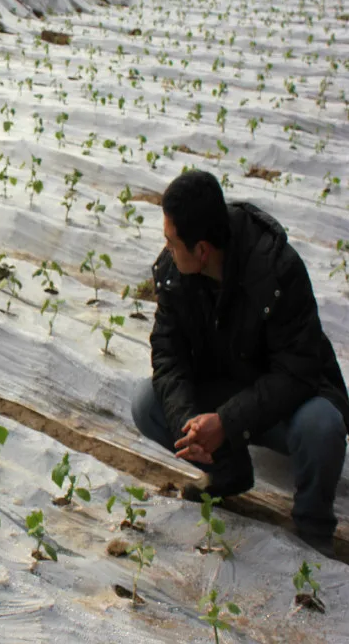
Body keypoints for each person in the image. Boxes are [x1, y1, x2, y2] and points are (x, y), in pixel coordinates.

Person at [131, 170, 348, 557]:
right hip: (230, 387)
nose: (166, 249)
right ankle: (228, 474)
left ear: (201, 250)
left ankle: (313, 528)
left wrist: (227, 421)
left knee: (322, 426)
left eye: (171, 240)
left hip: (289, 399)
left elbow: (299, 370)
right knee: (148, 403)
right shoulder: (174, 275)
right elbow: (167, 355)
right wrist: (192, 423)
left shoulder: (277, 268)